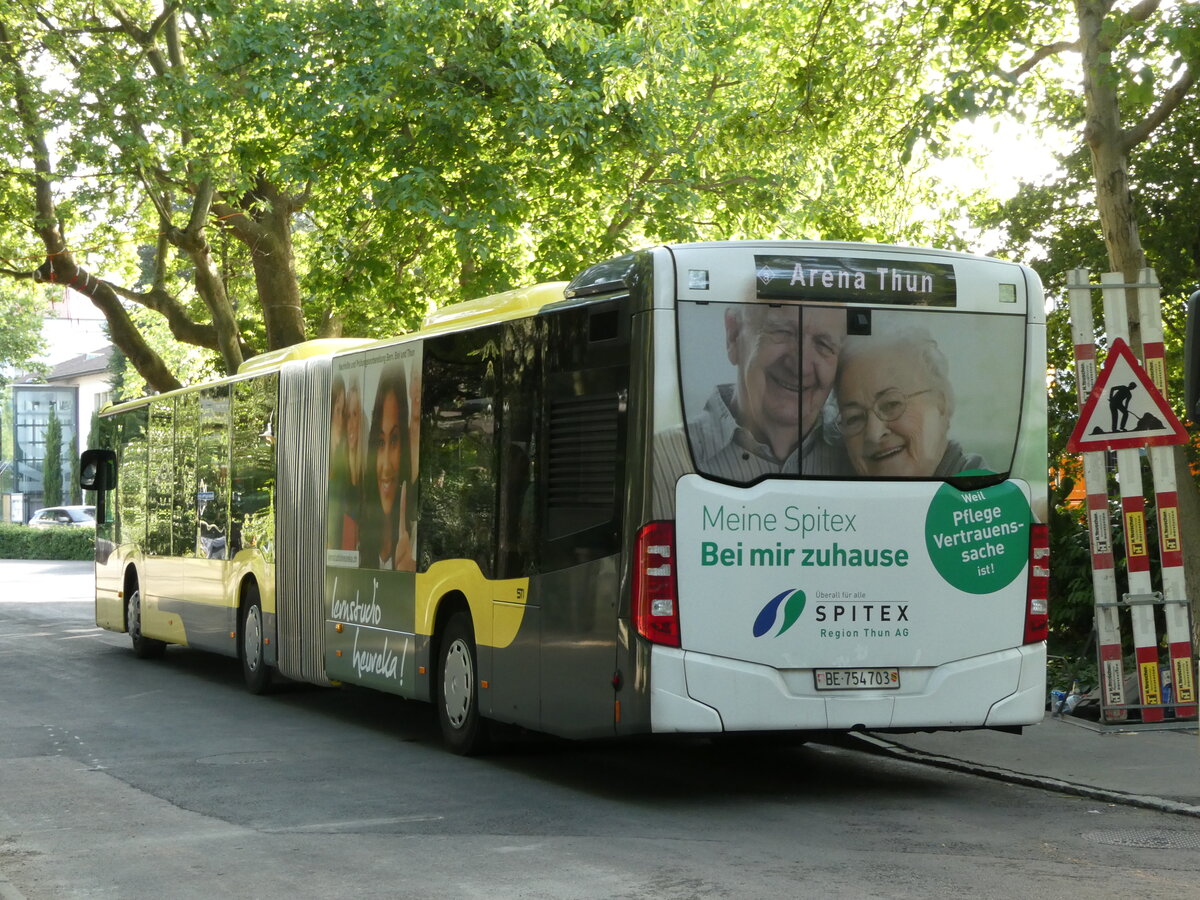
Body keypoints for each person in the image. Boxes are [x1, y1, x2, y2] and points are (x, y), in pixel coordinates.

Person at [652, 304, 849, 516]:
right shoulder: (659, 459)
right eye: (782, 332)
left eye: (823, 344)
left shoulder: (855, 456)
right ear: (733, 335)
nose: (800, 367)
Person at [834, 328, 985, 477]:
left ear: (940, 404)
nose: (874, 434)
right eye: (854, 418)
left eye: (891, 404)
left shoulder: (984, 496)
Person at [359, 363, 417, 571]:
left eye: (394, 440)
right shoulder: (358, 539)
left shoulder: (416, 541)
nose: (385, 466)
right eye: (380, 442)